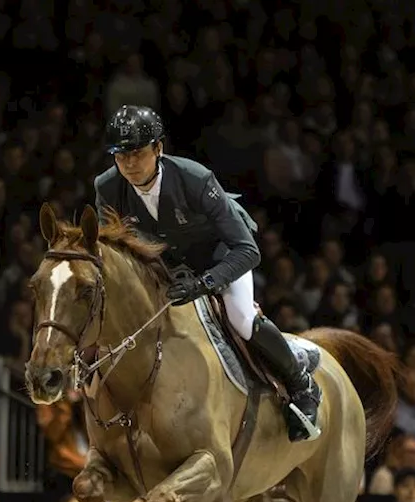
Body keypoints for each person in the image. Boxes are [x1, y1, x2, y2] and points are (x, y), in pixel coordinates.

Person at [94, 105, 321, 441]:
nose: (128, 164)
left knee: (240, 318)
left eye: (137, 153)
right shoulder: (108, 187)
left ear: (159, 148)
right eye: (120, 155)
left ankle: (301, 384)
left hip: (223, 254)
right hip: (169, 265)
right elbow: (115, 253)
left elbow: (248, 250)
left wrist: (206, 283)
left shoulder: (195, 179)